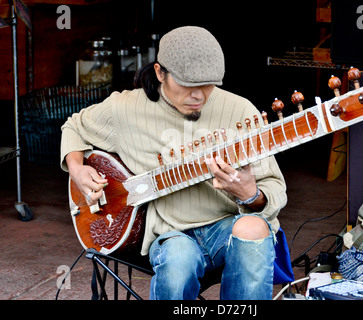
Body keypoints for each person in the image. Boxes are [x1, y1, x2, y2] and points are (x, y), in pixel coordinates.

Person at [61, 26, 287, 300]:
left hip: (227, 227)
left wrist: (251, 196)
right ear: (160, 73)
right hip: (171, 233)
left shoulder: (240, 111)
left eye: (207, 85)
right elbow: (75, 126)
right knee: (178, 260)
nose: (199, 96)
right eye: (188, 85)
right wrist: (76, 167)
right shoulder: (126, 108)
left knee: (253, 229)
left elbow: (273, 188)